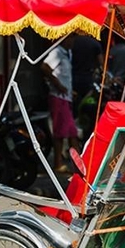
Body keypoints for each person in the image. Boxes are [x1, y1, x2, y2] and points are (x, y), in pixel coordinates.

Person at [42, 36, 78, 173]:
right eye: (71, 39)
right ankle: (60, 164)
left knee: (68, 132)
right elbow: (44, 67)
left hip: (66, 97)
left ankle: (73, 165)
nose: (73, 42)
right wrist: (57, 85)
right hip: (59, 97)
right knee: (65, 133)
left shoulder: (67, 54)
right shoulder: (56, 52)